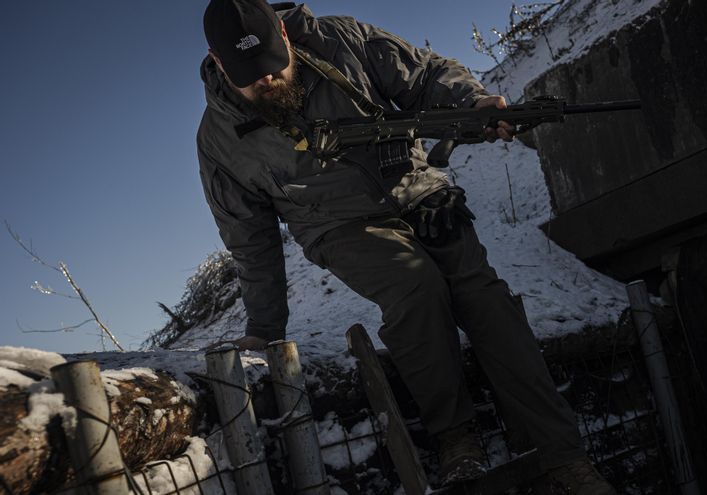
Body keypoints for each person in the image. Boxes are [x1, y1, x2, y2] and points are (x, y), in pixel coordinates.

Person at [198, 1, 616, 493]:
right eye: (249, 76)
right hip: (338, 227)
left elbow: (426, 73)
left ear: (286, 40)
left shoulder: (341, 41)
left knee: (485, 298)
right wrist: (264, 326)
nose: (265, 82)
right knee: (415, 286)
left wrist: (474, 103)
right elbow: (250, 240)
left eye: (273, 66)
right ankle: (456, 438)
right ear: (219, 62)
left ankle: (563, 455)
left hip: (418, 191)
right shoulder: (218, 141)